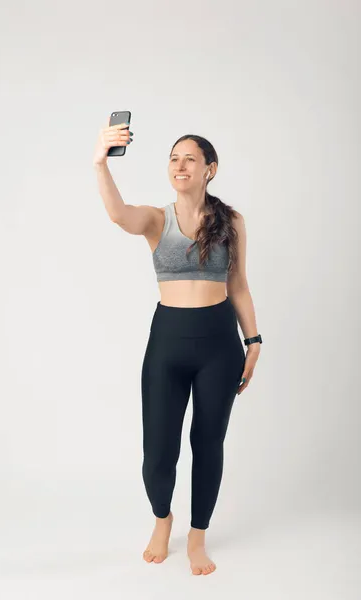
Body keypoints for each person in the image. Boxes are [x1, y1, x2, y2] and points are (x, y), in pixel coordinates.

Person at [93, 118, 262, 576]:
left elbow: (239, 285)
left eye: (190, 158)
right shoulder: (155, 218)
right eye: (173, 158)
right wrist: (100, 162)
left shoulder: (232, 222)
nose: (180, 165)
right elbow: (116, 213)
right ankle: (162, 520)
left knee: (209, 443)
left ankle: (198, 536)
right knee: (159, 449)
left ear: (210, 168)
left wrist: (254, 340)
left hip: (219, 344)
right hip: (167, 340)